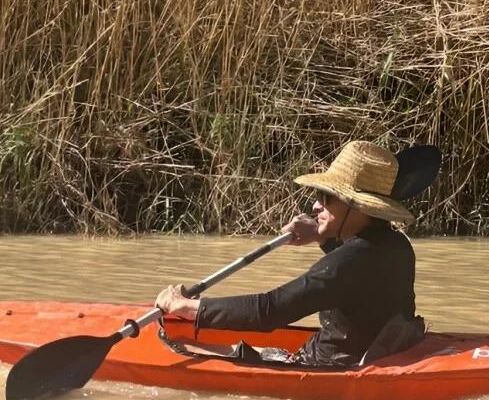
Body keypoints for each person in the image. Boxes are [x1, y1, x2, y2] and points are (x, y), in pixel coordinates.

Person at [154, 140, 421, 367]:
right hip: (364, 353)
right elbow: (355, 277)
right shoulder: (397, 245)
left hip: (327, 364)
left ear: (358, 207)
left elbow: (271, 310)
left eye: (326, 197)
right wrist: (320, 235)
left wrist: (188, 307)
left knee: (184, 345)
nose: (316, 205)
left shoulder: (346, 264)